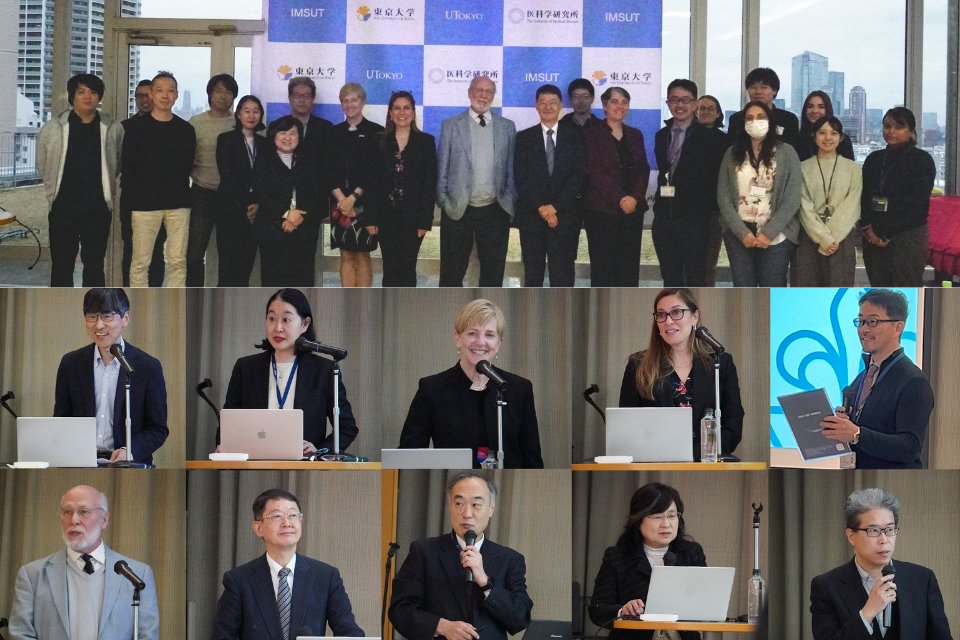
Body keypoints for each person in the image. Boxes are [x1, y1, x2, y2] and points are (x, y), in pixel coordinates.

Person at [398, 299, 543, 468]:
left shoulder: (519, 389)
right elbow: (409, 456)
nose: (480, 342)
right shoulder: (431, 389)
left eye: (489, 335)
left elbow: (533, 461)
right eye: (472, 333)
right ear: (458, 338)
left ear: (498, 343)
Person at [389, 473, 533, 640]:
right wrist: (441, 626)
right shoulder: (424, 551)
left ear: (491, 509)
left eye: (476, 505)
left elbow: (520, 618)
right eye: (459, 503)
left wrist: (485, 582)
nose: (467, 513)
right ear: (450, 506)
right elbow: (400, 610)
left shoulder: (510, 559)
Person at [8, 484, 160, 639]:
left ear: (104, 520)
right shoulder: (32, 575)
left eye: (83, 511)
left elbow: (147, 635)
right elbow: (20, 633)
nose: (74, 520)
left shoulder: (137, 574)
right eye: (67, 512)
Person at [211, 488, 364, 639]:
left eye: (293, 515)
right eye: (277, 516)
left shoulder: (326, 577)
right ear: (258, 528)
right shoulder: (239, 580)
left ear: (300, 522)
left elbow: (350, 633)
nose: (287, 523)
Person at [221, 288, 358, 455]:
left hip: (302, 465)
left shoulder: (324, 371)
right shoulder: (245, 367)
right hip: (254, 462)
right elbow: (227, 423)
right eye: (272, 318)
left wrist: (319, 451)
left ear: (305, 324)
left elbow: (347, 427)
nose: (278, 327)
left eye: (286, 320)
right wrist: (226, 446)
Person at [810, 488, 952, 640]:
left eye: (890, 529)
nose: (884, 540)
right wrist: (867, 613)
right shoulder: (826, 586)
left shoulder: (922, 579)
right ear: (851, 536)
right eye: (873, 530)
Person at [619, 288, 743, 461]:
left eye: (676, 312)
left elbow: (733, 423)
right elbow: (628, 425)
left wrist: (695, 455)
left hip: (706, 462)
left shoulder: (720, 362)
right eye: (661, 315)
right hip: (656, 461)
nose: (668, 321)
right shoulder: (638, 364)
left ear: (694, 317)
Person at [819, 289, 934, 469]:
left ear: (898, 328)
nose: (864, 329)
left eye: (873, 322)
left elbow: (910, 447)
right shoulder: (862, 377)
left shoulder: (913, 381)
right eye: (861, 321)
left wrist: (857, 434)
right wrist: (844, 425)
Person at [54, 288, 168, 464]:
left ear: (125, 318)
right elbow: (61, 421)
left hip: (127, 464)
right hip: (81, 462)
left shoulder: (147, 366)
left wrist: (129, 451)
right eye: (92, 317)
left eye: (107, 316)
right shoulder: (71, 363)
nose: (99, 325)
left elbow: (157, 428)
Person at [37, 73, 123, 287]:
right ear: (72, 96)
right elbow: (43, 163)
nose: (87, 97)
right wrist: (52, 193)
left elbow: (117, 162)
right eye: (81, 92)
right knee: (62, 265)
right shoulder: (54, 128)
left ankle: (95, 303)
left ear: (99, 97)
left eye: (93, 92)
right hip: (63, 206)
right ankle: (60, 305)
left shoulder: (112, 128)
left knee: (94, 265)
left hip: (98, 208)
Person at [589, 483, 706, 640]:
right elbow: (597, 609)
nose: (666, 524)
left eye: (672, 516)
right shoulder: (617, 557)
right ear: (638, 520)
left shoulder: (692, 553)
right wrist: (622, 611)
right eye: (657, 517)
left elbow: (704, 603)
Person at [437, 75, 517, 287]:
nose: (483, 95)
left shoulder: (507, 127)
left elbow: (511, 170)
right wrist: (444, 201)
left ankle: (489, 309)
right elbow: (442, 167)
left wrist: (508, 203)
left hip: (495, 210)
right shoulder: (451, 125)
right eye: (479, 90)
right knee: (451, 274)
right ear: (469, 92)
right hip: (458, 209)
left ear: (494, 95)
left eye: (489, 91)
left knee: (493, 274)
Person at [123, 70, 196, 287]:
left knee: (177, 260)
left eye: (170, 91)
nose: (165, 95)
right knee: (140, 262)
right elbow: (129, 168)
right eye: (159, 90)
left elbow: (187, 166)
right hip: (144, 205)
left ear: (176, 95)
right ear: (152, 94)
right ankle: (140, 303)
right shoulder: (134, 129)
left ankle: (175, 302)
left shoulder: (185, 130)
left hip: (178, 204)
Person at [651, 79, 727, 287]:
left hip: (696, 221)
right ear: (668, 103)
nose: (680, 105)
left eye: (686, 100)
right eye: (674, 99)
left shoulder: (711, 139)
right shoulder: (661, 136)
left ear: (694, 104)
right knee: (670, 277)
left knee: (696, 278)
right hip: (664, 218)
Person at [717, 100, 801, 287]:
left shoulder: (787, 152)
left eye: (760, 117)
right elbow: (723, 196)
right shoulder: (732, 154)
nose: (755, 122)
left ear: (770, 121)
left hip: (777, 232)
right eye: (749, 118)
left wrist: (769, 233)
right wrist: (742, 233)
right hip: (739, 232)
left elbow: (793, 197)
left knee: (773, 284)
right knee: (743, 286)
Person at [513, 84, 585, 287]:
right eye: (543, 102)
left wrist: (555, 207)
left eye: (553, 102)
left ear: (561, 105)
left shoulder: (575, 137)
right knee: (532, 276)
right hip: (532, 218)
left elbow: (578, 177)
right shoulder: (523, 138)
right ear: (536, 105)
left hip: (565, 217)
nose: (548, 107)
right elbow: (521, 178)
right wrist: (542, 208)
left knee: (563, 277)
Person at [859, 107, 936, 287]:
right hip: (873, 237)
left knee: (905, 292)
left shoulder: (922, 160)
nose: (891, 131)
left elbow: (917, 205)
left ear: (911, 131)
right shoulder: (874, 159)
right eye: (887, 126)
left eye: (899, 127)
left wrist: (885, 233)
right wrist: (869, 229)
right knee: (879, 292)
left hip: (907, 237)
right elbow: (864, 196)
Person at [582, 86, 651, 287]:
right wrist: (620, 199)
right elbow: (595, 172)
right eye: (614, 101)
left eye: (624, 102)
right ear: (604, 106)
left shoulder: (635, 134)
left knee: (629, 268)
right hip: (602, 211)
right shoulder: (591, 134)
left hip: (632, 212)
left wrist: (634, 198)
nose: (620, 106)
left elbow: (643, 169)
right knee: (603, 268)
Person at [368, 90, 436, 287]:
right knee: (390, 268)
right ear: (390, 113)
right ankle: (387, 305)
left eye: (406, 108)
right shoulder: (378, 140)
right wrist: (371, 218)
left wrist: (425, 221)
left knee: (407, 268)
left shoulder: (426, 142)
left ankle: (408, 305)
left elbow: (429, 183)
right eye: (396, 108)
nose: (402, 112)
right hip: (385, 217)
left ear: (413, 112)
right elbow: (371, 182)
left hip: (413, 219)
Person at [251, 116, 322, 287]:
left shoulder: (309, 160)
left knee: (303, 279)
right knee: (274, 279)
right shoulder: (264, 159)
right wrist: (286, 213)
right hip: (272, 228)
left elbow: (317, 192)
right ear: (274, 136)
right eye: (282, 133)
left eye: (292, 133)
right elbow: (261, 192)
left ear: (300, 136)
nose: (288, 138)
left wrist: (298, 217)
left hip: (304, 228)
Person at [327, 82, 383, 287]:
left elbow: (374, 171)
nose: (350, 104)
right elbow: (327, 169)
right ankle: (348, 300)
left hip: (364, 204)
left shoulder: (377, 132)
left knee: (362, 254)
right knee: (346, 253)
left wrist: (353, 198)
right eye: (345, 100)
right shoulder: (332, 133)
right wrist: (342, 199)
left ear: (363, 102)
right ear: (341, 104)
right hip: (339, 204)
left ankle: (364, 301)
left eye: (354, 100)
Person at [795, 116, 862, 286]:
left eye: (833, 133)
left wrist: (832, 238)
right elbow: (803, 205)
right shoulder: (802, 167)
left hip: (842, 238)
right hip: (809, 237)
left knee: (839, 289)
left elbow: (852, 205)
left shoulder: (853, 169)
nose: (828, 138)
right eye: (822, 133)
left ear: (841, 137)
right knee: (807, 290)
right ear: (814, 136)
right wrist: (823, 237)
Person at [186, 73, 238, 287]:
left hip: (231, 196)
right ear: (209, 94)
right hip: (202, 194)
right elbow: (185, 158)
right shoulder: (196, 123)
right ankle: (194, 296)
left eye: (228, 92)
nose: (223, 96)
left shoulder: (239, 122)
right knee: (194, 253)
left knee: (229, 253)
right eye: (218, 91)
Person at [215, 94, 266, 286]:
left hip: (256, 211)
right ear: (238, 115)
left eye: (256, 111)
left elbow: (267, 177)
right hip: (231, 210)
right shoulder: (226, 140)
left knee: (246, 267)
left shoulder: (265, 143)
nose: (251, 116)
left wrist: (257, 202)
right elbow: (227, 175)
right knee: (228, 267)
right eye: (247, 111)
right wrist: (245, 204)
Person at [120, 79, 165, 288]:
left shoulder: (168, 126)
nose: (144, 100)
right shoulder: (125, 128)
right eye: (139, 95)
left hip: (160, 200)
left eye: (148, 95)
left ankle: (154, 294)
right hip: (132, 198)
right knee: (131, 251)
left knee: (156, 253)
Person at [695, 94, 728, 287]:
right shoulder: (686, 137)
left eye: (710, 108)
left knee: (708, 263)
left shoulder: (725, 141)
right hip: (688, 212)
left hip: (714, 211)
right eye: (702, 108)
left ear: (718, 114)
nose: (705, 111)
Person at [727, 68, 800, 148]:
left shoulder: (788, 119)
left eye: (763, 87)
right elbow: (733, 149)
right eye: (753, 87)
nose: (758, 92)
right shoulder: (737, 119)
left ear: (775, 91)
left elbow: (791, 150)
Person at [796, 91, 855, 162]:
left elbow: (849, 165)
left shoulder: (842, 140)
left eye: (821, 107)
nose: (815, 111)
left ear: (828, 109)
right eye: (810, 106)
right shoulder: (797, 140)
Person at [286, 76, 332, 164]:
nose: (302, 100)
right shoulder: (277, 126)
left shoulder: (326, 128)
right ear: (290, 98)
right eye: (297, 96)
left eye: (306, 96)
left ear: (313, 98)